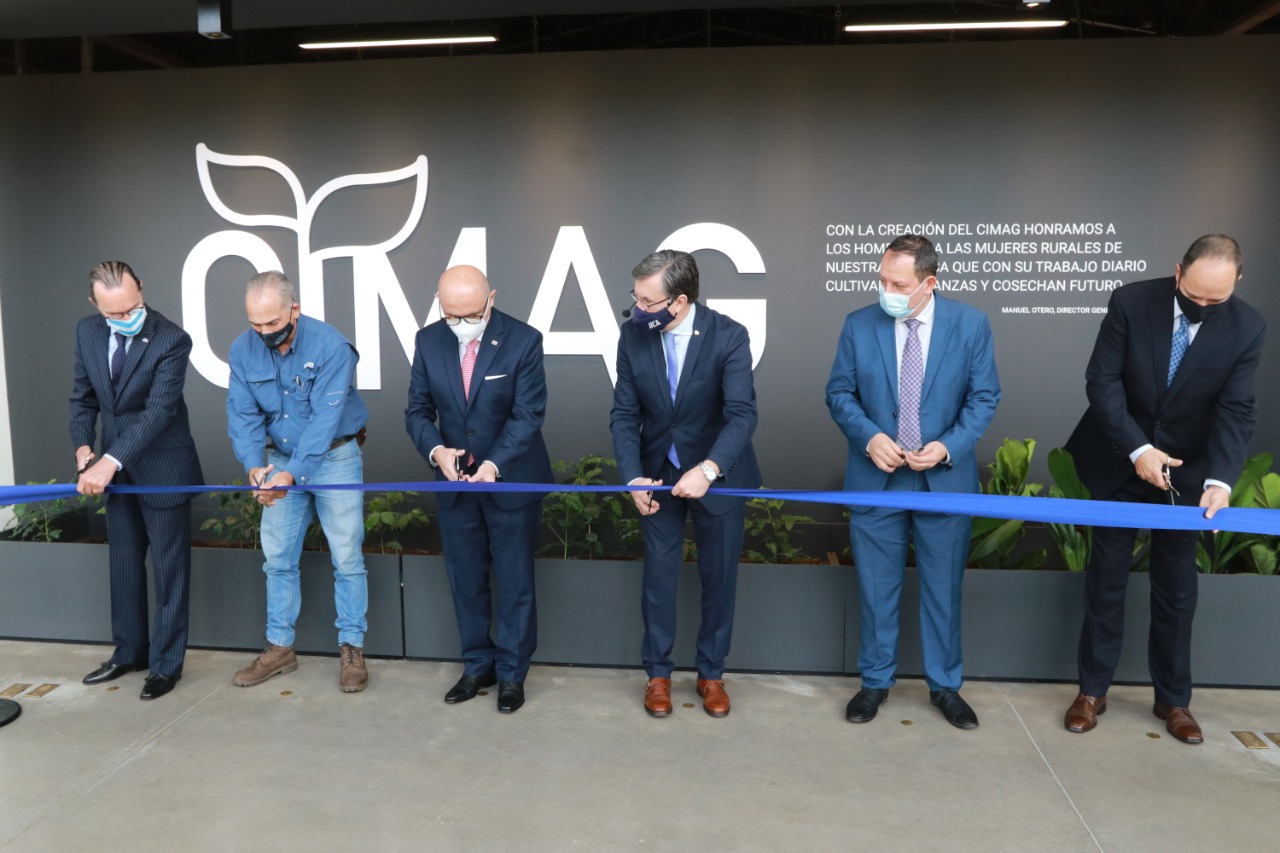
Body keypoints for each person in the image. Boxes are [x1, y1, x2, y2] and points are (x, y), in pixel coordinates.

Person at [1063, 234, 1265, 744]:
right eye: (1192, 296)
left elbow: (1237, 409)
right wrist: (1138, 450)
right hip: (1118, 459)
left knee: (1177, 590)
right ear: (1178, 272)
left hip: (1188, 475)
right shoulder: (1132, 301)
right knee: (1105, 580)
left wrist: (1219, 481)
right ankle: (1091, 690)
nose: (1200, 308)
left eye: (1213, 302)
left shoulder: (1248, 327)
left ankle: (1173, 700)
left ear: (1236, 283)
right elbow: (1102, 382)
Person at [825, 234, 1000, 729]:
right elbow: (839, 392)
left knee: (943, 590)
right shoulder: (859, 324)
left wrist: (948, 446)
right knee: (876, 589)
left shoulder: (970, 325)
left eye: (897, 283)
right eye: (882, 279)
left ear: (929, 284)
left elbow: (984, 397)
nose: (887, 290)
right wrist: (869, 437)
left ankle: (945, 687)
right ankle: (875, 684)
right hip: (875, 479)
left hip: (942, 481)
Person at [610, 249, 761, 718]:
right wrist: (634, 476)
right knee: (658, 579)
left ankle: (711, 674)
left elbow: (742, 414)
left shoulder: (728, 336)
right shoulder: (633, 336)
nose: (638, 310)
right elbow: (624, 414)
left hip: (718, 477)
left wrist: (709, 469)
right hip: (657, 473)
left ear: (679, 301)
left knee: (719, 579)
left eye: (648, 302)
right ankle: (657, 674)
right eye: (635, 299)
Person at [405, 265, 553, 714]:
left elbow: (528, 415)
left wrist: (493, 463)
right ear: (439, 304)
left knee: (513, 581)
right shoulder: (429, 340)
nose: (462, 325)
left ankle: (511, 674)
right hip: (455, 484)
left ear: (491, 298)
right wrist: (437, 453)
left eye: (471, 314)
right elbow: (416, 411)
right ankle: (477, 665)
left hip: (509, 478)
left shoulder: (523, 340)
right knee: (465, 580)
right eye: (453, 316)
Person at [226, 270, 371, 693]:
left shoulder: (331, 346)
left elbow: (326, 420)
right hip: (278, 460)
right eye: (255, 324)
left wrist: (292, 473)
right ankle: (279, 648)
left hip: (334, 457)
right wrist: (255, 466)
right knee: (278, 558)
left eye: (272, 323)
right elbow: (243, 413)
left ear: (294, 309)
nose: (264, 332)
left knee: (347, 557)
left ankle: (352, 648)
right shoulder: (242, 349)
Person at [70, 260, 204, 701]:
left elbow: (158, 413)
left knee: (170, 573)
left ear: (141, 290)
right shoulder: (88, 332)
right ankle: (129, 652)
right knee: (123, 566)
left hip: (163, 468)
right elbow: (82, 397)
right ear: (95, 305)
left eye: (133, 307)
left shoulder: (170, 339)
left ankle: (166, 665)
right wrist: (83, 448)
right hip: (113, 472)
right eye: (115, 314)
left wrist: (109, 461)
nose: (127, 318)